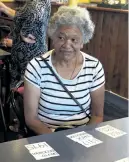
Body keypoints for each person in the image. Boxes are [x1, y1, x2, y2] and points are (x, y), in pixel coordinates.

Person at [24, 6, 105, 135]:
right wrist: (58, 142)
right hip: (46, 134)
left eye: (74, 40)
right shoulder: (36, 66)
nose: (67, 45)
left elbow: (97, 115)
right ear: (53, 38)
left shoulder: (94, 67)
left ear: (82, 42)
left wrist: (81, 138)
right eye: (61, 38)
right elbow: (31, 119)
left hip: (82, 134)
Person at [0, 0, 51, 87]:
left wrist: (20, 37)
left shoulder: (36, 4)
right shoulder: (39, 2)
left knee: (25, 89)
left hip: (28, 57)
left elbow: (29, 33)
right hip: (31, 54)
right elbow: (22, 15)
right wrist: (4, 8)